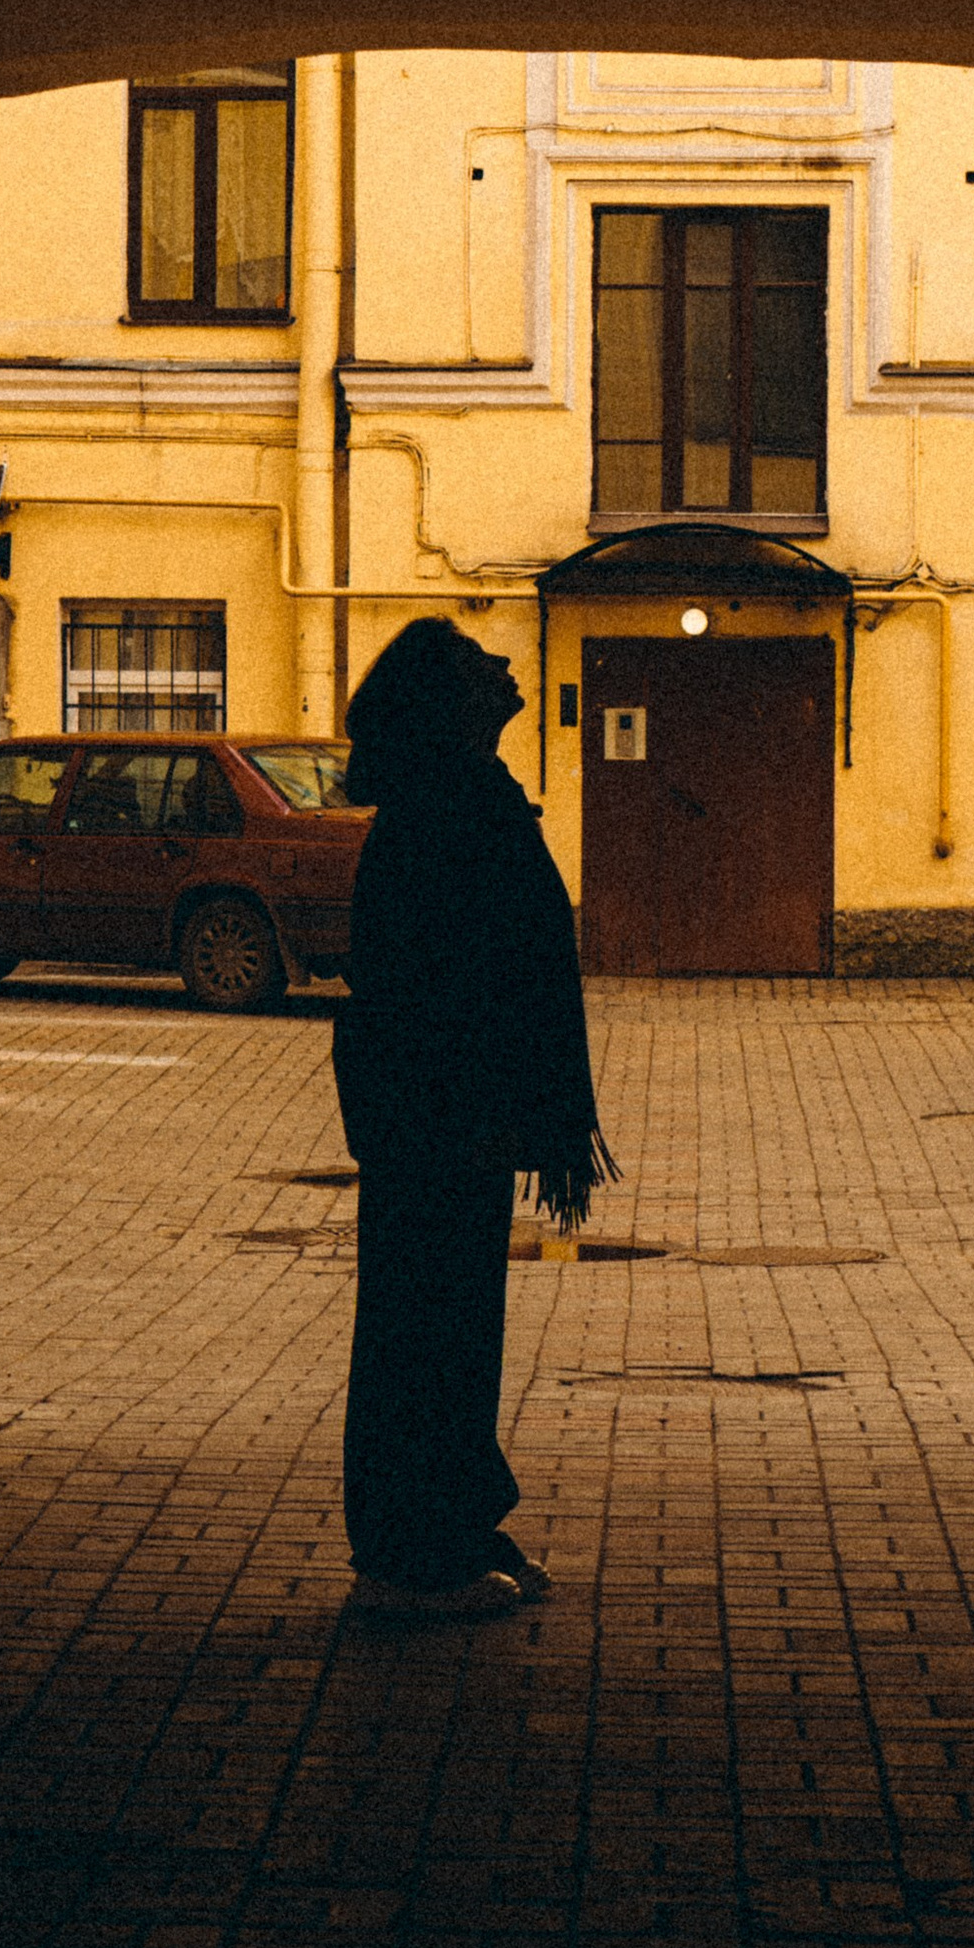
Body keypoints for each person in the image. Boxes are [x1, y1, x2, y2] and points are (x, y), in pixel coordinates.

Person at [331, 620, 617, 1617]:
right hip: (437, 1114)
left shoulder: (456, 797)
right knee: (427, 1332)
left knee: (446, 1327)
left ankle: (450, 1524)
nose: (502, 664)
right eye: (476, 660)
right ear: (447, 700)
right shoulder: (447, 807)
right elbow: (458, 976)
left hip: (443, 1112)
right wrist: (505, 1098)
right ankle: (411, 1558)